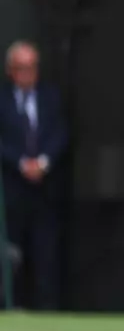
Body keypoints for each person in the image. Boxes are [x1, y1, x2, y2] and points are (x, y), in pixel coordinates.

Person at [1, 41, 69, 311]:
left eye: (32, 68)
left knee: (46, 256)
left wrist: (43, 163)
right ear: (10, 71)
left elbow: (61, 133)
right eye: (21, 68)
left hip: (45, 191)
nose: (27, 74)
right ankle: (9, 309)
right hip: (12, 193)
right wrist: (20, 164)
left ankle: (47, 313)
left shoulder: (51, 98)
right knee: (12, 255)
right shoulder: (3, 101)